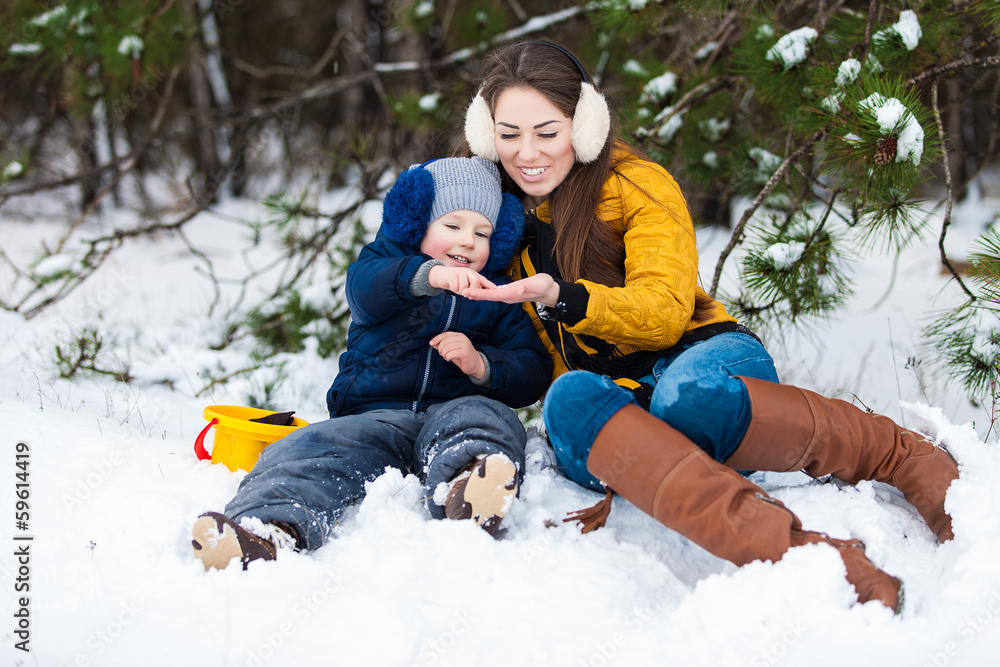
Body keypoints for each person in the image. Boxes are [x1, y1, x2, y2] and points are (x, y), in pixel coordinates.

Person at [459, 39, 960, 613]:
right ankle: (802, 551)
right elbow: (538, 360)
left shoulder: (637, 185)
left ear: (588, 124)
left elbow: (664, 309)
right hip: (623, 404)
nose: (527, 153)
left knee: (684, 399)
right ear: (484, 131)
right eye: (509, 133)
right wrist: (484, 367)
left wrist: (567, 296)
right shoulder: (493, 221)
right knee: (569, 400)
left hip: (705, 359)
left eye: (547, 133)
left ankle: (894, 452)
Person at [191, 156, 553, 570]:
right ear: (419, 223)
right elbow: (366, 291)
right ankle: (264, 528)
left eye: (482, 232)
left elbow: (532, 371)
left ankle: (469, 488)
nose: (468, 241)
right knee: (315, 447)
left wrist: (483, 365)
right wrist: (427, 276)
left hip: (453, 415)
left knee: (490, 418)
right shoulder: (384, 265)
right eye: (452, 226)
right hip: (376, 417)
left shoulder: (497, 294)